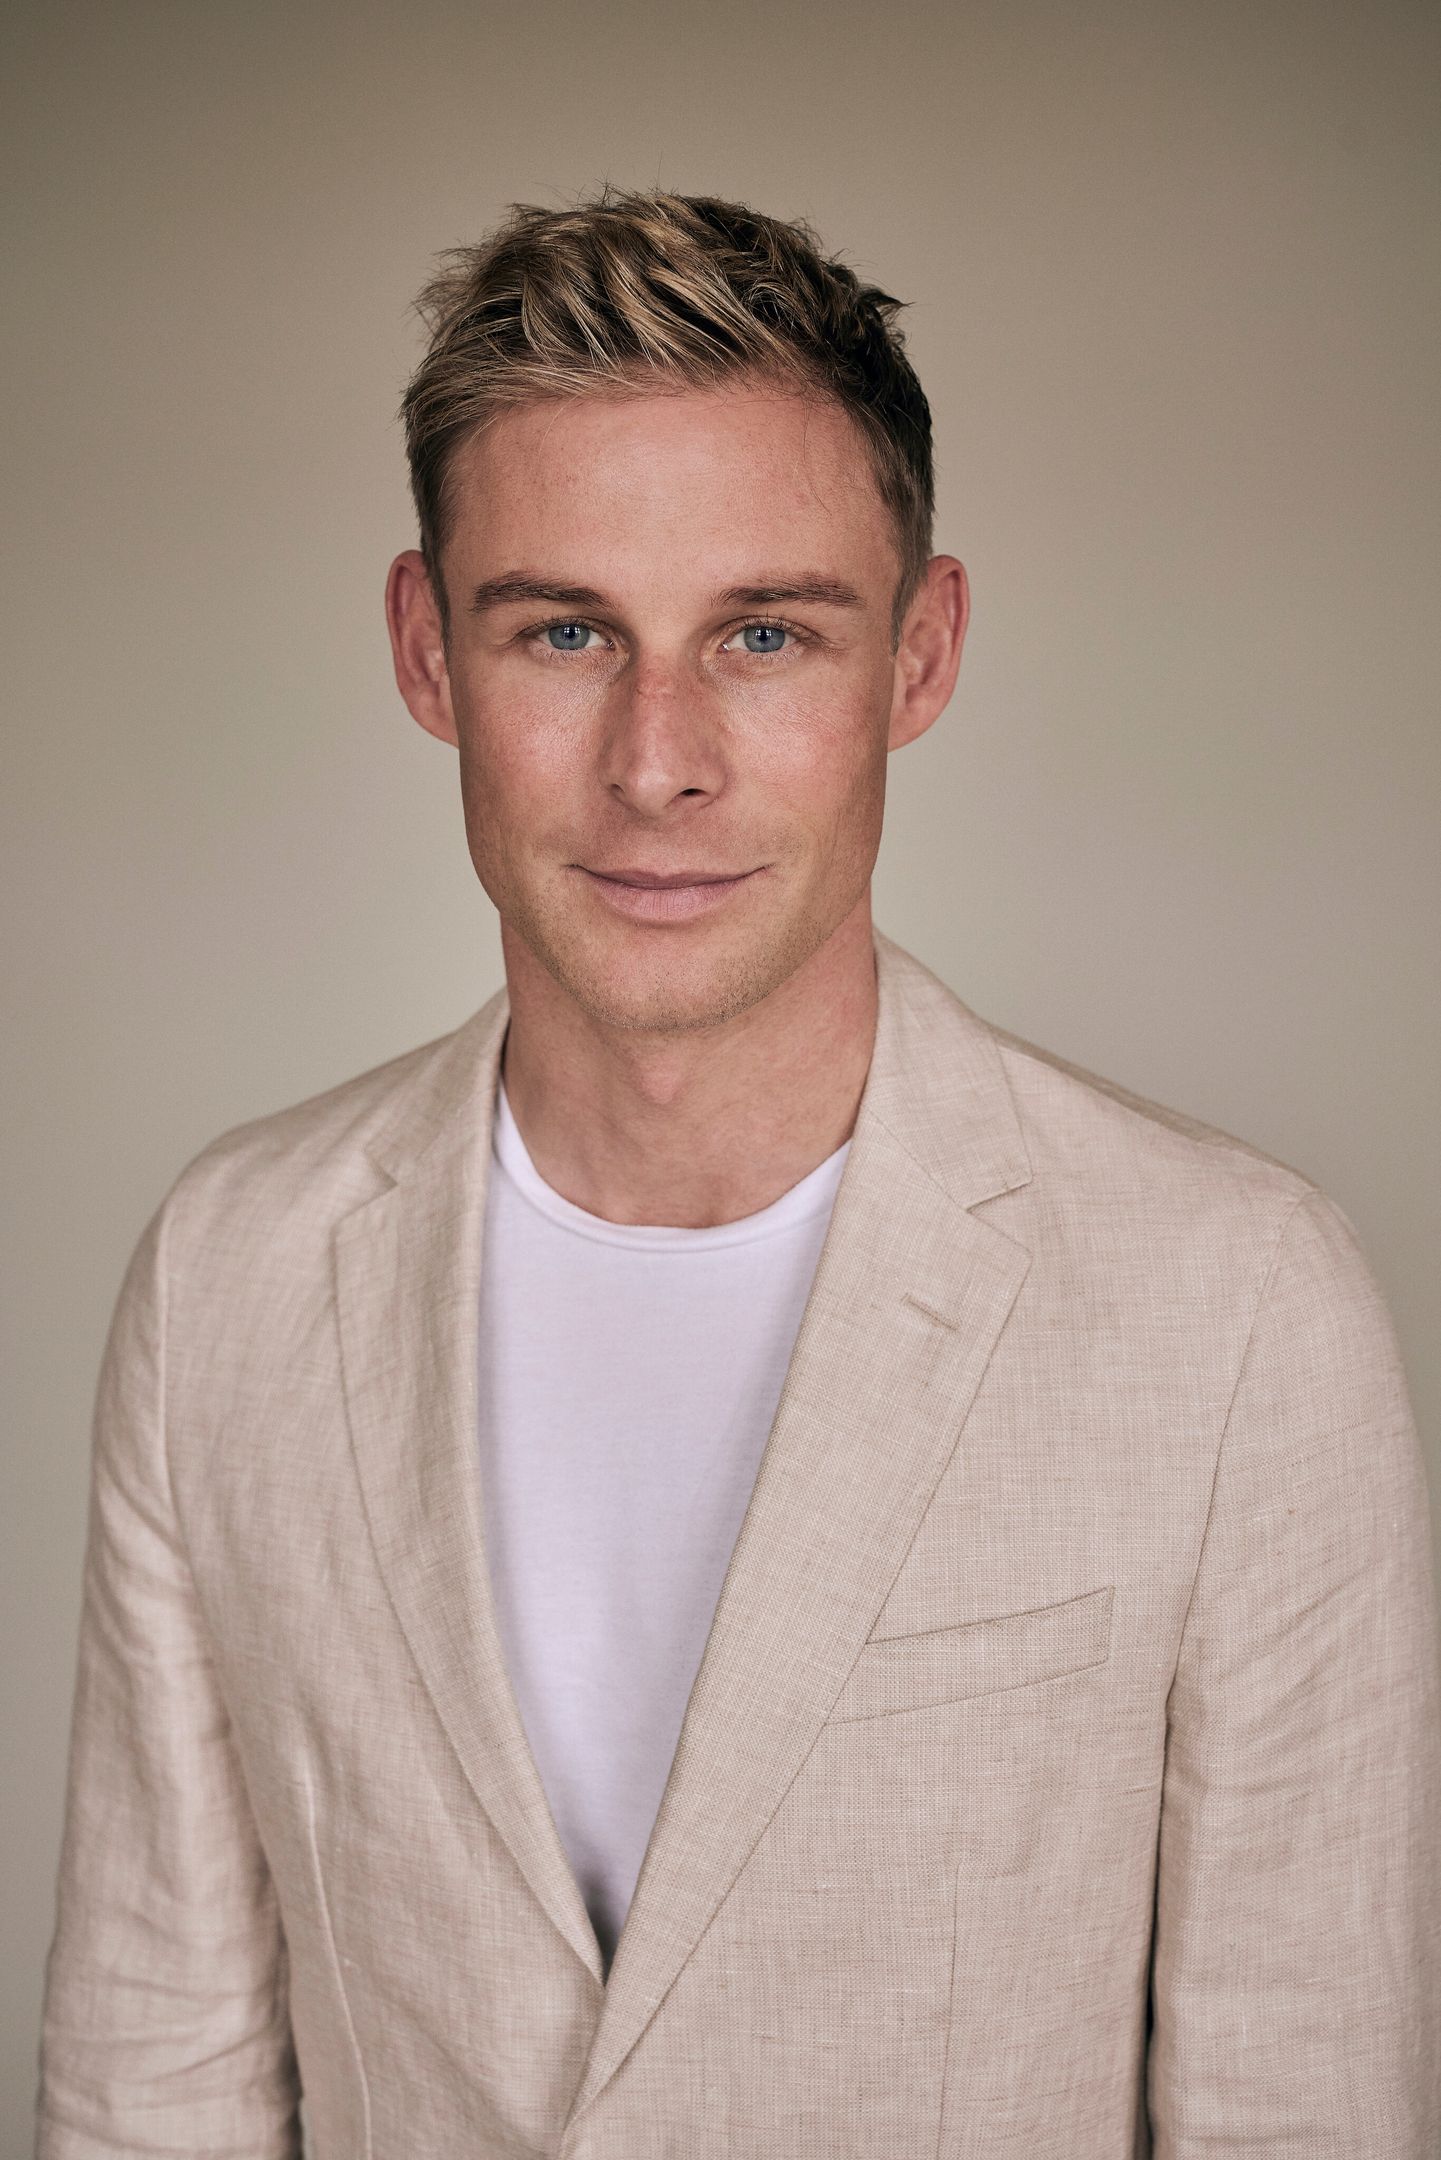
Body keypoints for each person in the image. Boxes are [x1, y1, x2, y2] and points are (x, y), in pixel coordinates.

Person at [36, 188, 1440, 2159]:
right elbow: (149, 2076)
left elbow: (1304, 2102)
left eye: (763, 635)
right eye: (565, 632)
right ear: (426, 653)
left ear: (919, 657)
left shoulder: (1234, 1304)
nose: (657, 761)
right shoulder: (231, 1274)